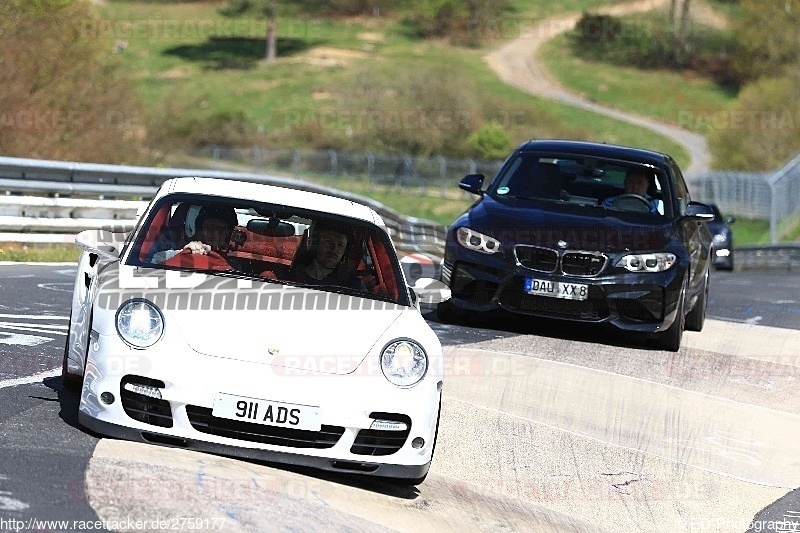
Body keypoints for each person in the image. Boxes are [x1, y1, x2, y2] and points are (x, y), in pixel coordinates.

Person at [289, 223, 365, 291]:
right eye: (328, 241)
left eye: (340, 245)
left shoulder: (353, 285)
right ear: (316, 243)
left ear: (345, 251)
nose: (334, 249)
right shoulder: (293, 275)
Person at [151, 205, 238, 265]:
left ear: (228, 233)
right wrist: (182, 252)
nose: (215, 234)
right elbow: (153, 260)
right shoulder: (190, 250)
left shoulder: (234, 263)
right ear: (202, 230)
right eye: (210, 227)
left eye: (221, 229)